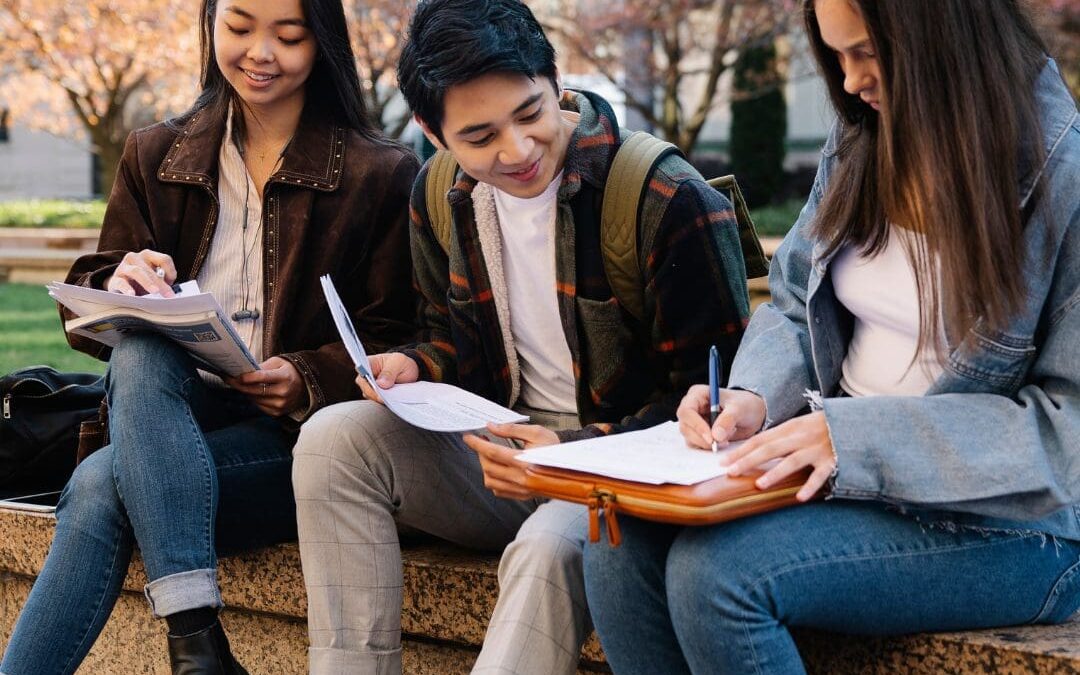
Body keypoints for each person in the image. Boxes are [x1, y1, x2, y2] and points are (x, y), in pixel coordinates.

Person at [581, 0, 1080, 673]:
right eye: (836, 56)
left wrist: (853, 436)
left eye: (866, 53)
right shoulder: (862, 137)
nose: (849, 82)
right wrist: (754, 394)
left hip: (1009, 525)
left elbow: (1065, 429)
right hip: (847, 480)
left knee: (719, 578)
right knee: (618, 544)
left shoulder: (1065, 179)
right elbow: (792, 302)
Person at [288, 0, 757, 672]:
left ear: (554, 78)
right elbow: (445, 337)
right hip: (499, 463)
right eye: (479, 137)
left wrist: (568, 450)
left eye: (531, 113)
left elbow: (718, 404)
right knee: (332, 440)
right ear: (432, 130)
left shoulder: (663, 197)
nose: (516, 150)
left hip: (612, 477)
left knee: (545, 549)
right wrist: (414, 367)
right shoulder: (439, 194)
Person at [0, 0, 418, 672]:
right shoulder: (156, 153)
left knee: (103, 485)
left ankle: (195, 640)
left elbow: (405, 336)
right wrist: (123, 281)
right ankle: (196, 644)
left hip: (294, 446)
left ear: (323, 42)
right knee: (141, 343)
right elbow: (91, 322)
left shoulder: (380, 173)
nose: (260, 52)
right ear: (210, 24)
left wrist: (309, 376)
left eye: (288, 35)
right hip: (168, 414)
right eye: (239, 26)